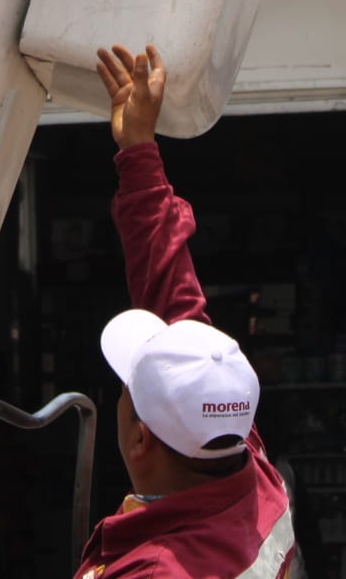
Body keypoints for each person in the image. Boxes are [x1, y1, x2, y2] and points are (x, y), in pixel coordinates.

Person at [79, 43, 295, 579]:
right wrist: (137, 150)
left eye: (129, 388)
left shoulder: (156, 573)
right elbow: (172, 290)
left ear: (139, 437)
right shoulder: (248, 471)